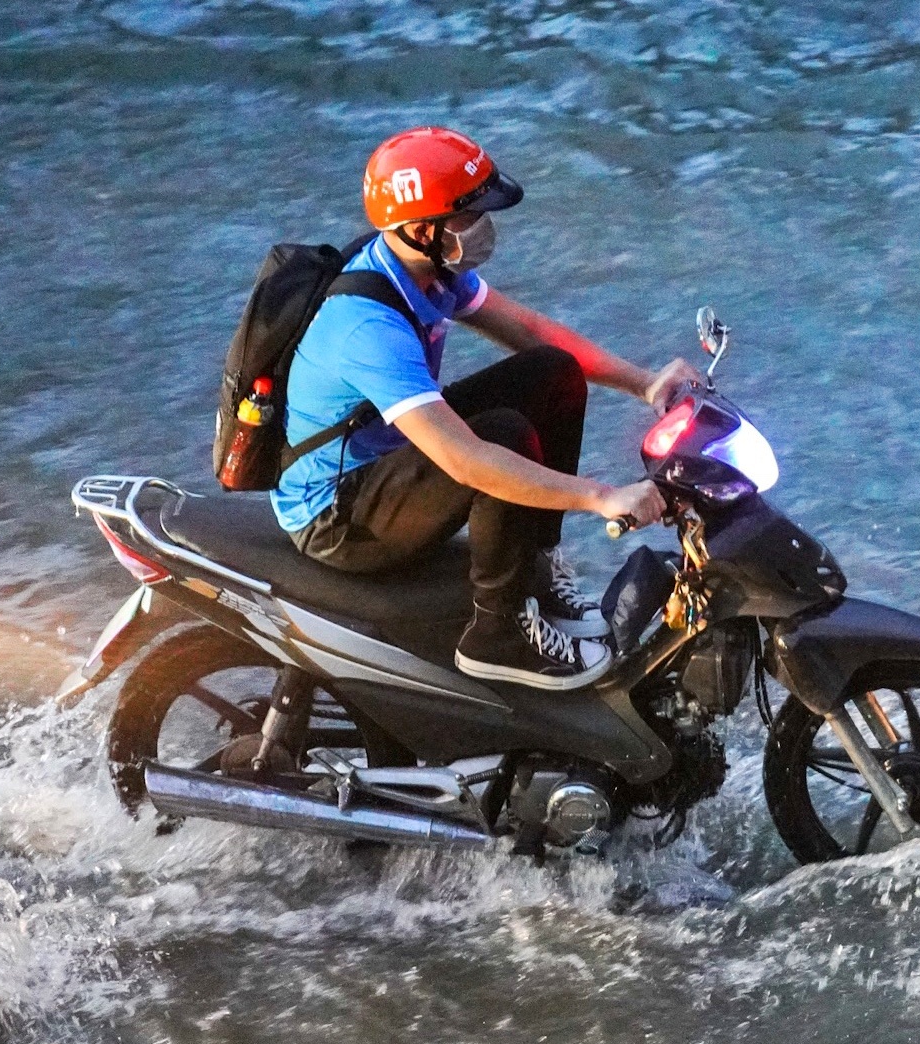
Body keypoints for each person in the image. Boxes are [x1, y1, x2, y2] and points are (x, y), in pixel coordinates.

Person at [272, 126, 688, 690]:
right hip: (337, 515)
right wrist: (602, 497)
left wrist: (646, 384)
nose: (486, 226)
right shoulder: (368, 326)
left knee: (551, 371)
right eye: (470, 215)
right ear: (424, 230)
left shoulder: (428, 272)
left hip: (389, 461)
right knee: (503, 437)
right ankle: (497, 636)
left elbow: (530, 329)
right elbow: (466, 461)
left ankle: (538, 570)